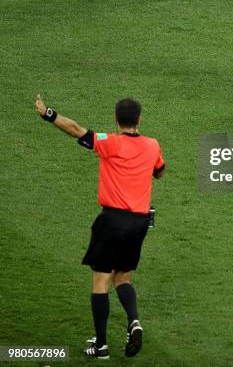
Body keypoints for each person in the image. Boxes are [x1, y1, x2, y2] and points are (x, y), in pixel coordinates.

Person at [35, 95, 165, 359]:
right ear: (139, 119)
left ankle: (101, 345)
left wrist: (49, 113)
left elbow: (76, 130)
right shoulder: (152, 145)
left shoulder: (109, 142)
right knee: (123, 277)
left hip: (112, 221)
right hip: (139, 223)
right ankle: (134, 321)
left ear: (117, 120)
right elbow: (160, 171)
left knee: (101, 280)